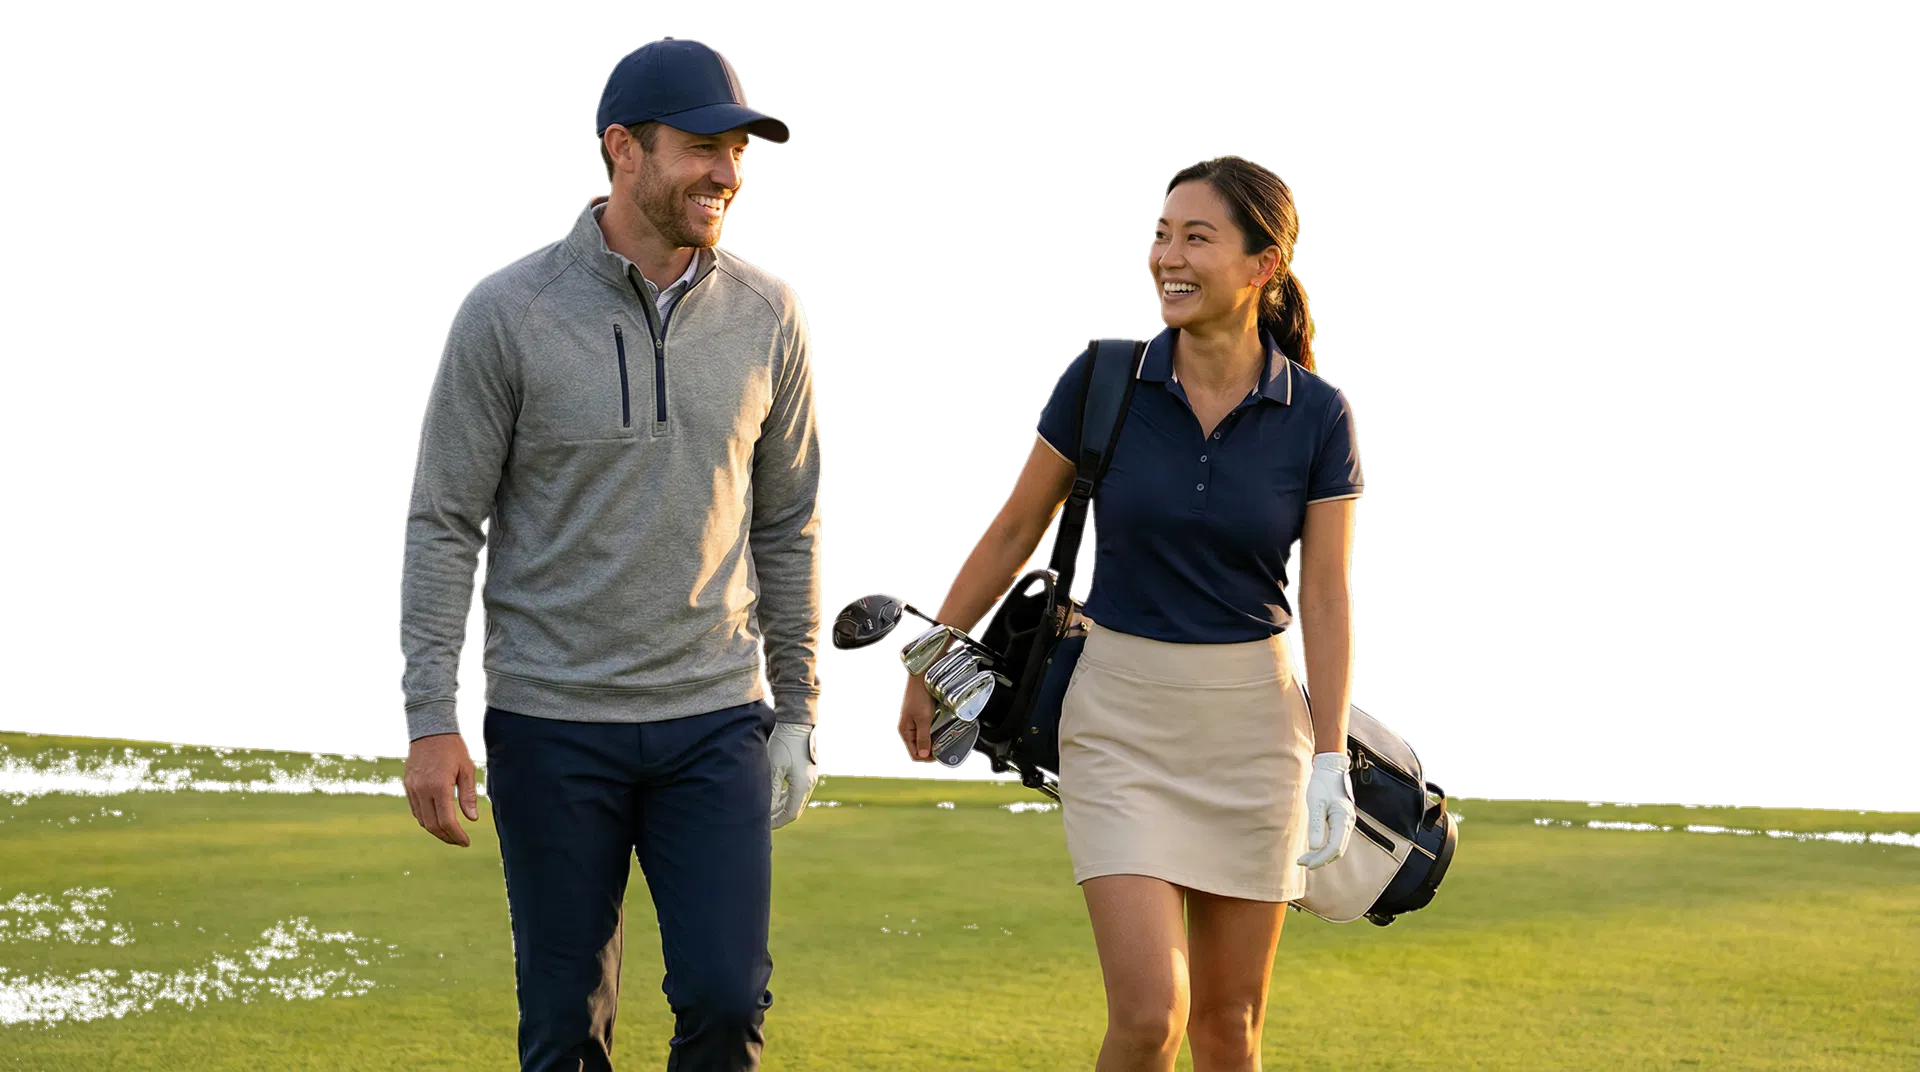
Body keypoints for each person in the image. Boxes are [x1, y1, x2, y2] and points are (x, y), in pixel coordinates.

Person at [397, 38, 824, 1072]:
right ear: (623, 150)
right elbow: (446, 520)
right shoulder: (507, 313)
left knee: (726, 1002)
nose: (729, 173)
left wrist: (801, 707)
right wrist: (432, 718)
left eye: (740, 151)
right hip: (551, 724)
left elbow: (788, 523)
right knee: (562, 1029)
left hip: (713, 717)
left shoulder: (773, 315)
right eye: (705, 148)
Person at [896, 155, 1363, 1072]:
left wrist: (1331, 754)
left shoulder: (1318, 415)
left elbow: (1325, 596)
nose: (1166, 257)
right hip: (1118, 721)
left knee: (1229, 1030)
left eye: (1196, 237)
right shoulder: (1104, 377)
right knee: (1152, 1014)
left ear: (1263, 265)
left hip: (1253, 728)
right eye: (1161, 235)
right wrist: (928, 657)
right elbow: (1012, 532)